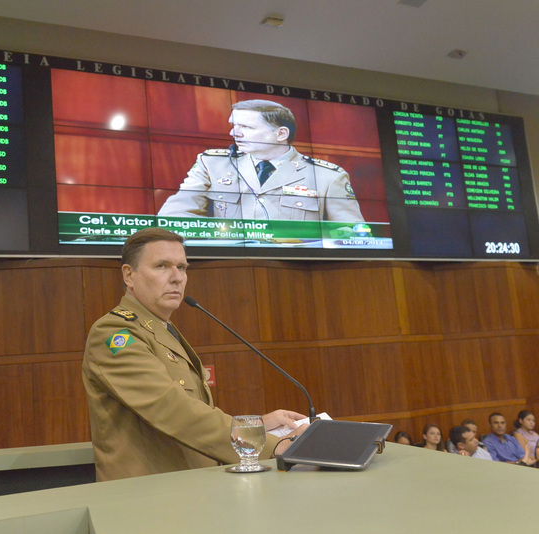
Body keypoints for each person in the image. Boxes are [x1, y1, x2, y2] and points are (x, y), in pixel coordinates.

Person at [82, 227, 308, 481]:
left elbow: (194, 410)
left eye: (182, 267)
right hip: (147, 493)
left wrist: (257, 425)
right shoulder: (113, 333)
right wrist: (271, 445)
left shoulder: (161, 329)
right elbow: (172, 409)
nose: (176, 278)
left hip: (187, 486)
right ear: (129, 275)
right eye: (161, 266)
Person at [158, 99, 364, 222]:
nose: (234, 134)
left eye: (246, 127)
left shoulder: (327, 176)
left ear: (281, 134)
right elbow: (174, 215)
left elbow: (352, 234)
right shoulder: (212, 164)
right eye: (234, 126)